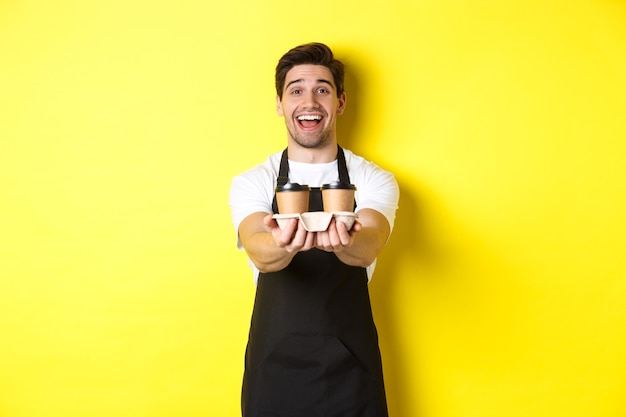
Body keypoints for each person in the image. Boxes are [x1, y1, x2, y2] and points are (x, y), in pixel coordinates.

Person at [229, 42, 399, 417]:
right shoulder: (254, 181)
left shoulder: (372, 179)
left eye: (322, 89)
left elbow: (369, 243)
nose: (310, 101)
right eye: (296, 90)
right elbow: (259, 248)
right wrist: (287, 242)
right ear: (280, 104)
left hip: (351, 370)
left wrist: (340, 240)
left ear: (339, 102)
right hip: (274, 368)